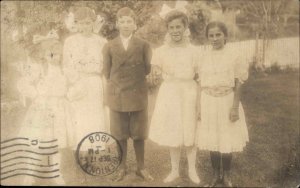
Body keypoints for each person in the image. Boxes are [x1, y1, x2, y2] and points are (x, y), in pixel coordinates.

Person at [148, 10, 200, 184]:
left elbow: (200, 77)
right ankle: (175, 170)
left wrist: (199, 101)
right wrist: (155, 74)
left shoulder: (195, 51)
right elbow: (155, 73)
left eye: (179, 26)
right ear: (167, 29)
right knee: (173, 130)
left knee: (190, 130)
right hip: (169, 93)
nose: (175, 30)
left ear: (185, 27)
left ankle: (192, 170)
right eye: (172, 27)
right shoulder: (161, 51)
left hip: (189, 92)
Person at [102, 7, 153, 182]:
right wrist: (118, 86)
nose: (125, 25)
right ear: (117, 24)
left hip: (137, 93)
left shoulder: (144, 45)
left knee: (139, 133)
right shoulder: (109, 46)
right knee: (119, 134)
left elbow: (147, 68)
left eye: (129, 21)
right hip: (117, 95)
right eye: (122, 21)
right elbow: (107, 72)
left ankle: (141, 167)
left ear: (135, 25)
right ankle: (121, 167)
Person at [196, 21, 249, 187]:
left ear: (225, 35)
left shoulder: (235, 55)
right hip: (208, 102)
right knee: (213, 139)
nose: (214, 38)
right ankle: (215, 175)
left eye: (218, 34)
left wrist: (234, 107)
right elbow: (199, 83)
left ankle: (226, 175)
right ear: (207, 37)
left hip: (227, 101)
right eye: (211, 35)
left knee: (226, 139)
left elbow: (239, 81)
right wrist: (199, 107)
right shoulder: (203, 56)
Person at [17, 37, 75, 185]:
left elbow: (78, 84)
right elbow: (22, 83)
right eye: (51, 54)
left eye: (57, 54)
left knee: (57, 142)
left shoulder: (65, 70)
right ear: (44, 55)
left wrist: (69, 94)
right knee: (37, 141)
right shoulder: (39, 69)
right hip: (42, 108)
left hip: (59, 109)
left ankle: (56, 172)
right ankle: (30, 174)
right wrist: (35, 94)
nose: (55, 57)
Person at [63, 7, 108, 147]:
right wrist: (75, 81)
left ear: (93, 23)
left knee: (95, 115)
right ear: (76, 24)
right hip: (78, 82)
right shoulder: (70, 41)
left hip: (95, 82)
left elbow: (106, 65)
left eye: (88, 23)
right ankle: (80, 149)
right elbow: (66, 64)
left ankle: (95, 149)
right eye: (81, 23)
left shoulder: (101, 41)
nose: (85, 26)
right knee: (79, 117)